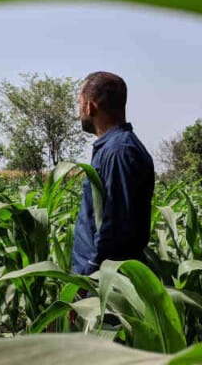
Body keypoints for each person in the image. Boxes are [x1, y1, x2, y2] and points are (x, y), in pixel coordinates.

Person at [71, 71, 156, 275]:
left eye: (80, 103)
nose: (78, 111)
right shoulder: (114, 148)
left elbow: (116, 227)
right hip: (99, 278)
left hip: (104, 283)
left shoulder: (119, 151)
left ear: (90, 106)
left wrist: (90, 274)